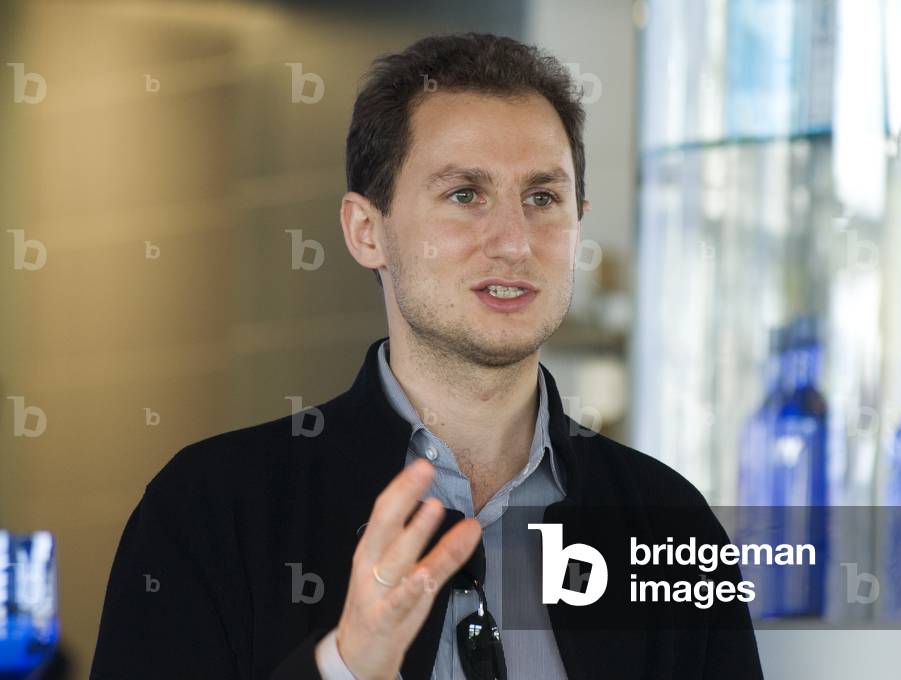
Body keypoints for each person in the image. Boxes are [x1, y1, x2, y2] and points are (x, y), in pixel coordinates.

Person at [91, 33, 763, 680]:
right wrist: (345, 670)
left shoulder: (669, 524)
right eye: (465, 195)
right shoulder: (210, 512)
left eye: (542, 198)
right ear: (366, 231)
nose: (514, 242)